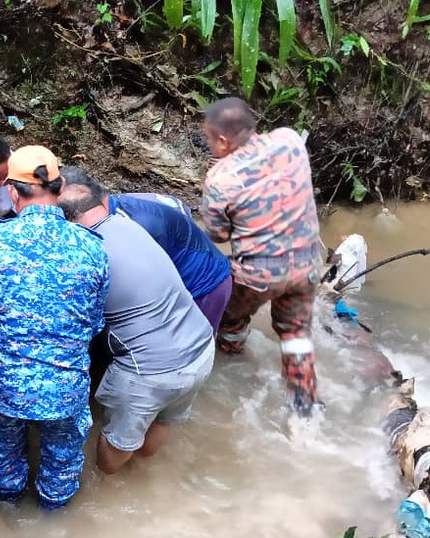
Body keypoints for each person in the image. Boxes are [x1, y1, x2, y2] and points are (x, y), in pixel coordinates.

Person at [0, 145, 109, 508]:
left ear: (12, 191)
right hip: (66, 388)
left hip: (5, 388)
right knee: (61, 473)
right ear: (60, 189)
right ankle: (54, 521)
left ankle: (7, 516)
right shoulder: (93, 248)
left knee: (5, 468)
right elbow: (94, 324)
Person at [58, 170, 215, 473]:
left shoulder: (86, 252)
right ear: (101, 202)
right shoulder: (128, 224)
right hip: (201, 348)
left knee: (113, 450)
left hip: (151, 372)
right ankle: (141, 473)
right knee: (163, 419)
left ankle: (110, 485)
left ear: (65, 221)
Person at [200, 97, 324, 416]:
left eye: (209, 139)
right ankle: (305, 405)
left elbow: (218, 235)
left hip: (258, 275)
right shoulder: (289, 139)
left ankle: (233, 361)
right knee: (296, 335)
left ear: (223, 140)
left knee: (230, 315)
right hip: (308, 264)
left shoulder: (220, 178)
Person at [60, 168, 232, 335]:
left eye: (69, 215)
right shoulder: (127, 204)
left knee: (190, 347)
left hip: (205, 284)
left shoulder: (137, 227)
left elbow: (139, 291)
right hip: (192, 254)